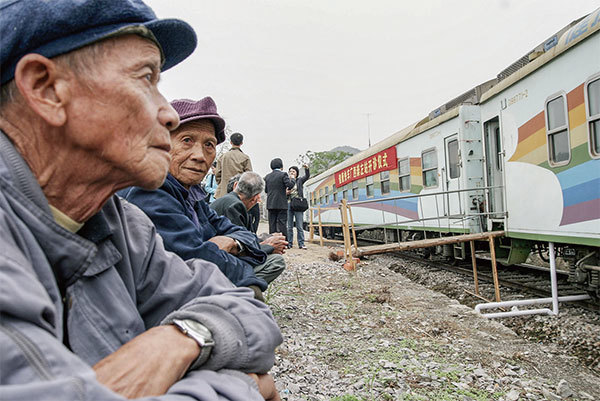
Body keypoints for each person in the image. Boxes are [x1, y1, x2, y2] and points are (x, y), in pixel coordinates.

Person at [0, 1, 281, 400]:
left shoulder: (120, 224)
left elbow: (251, 311)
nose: (167, 114)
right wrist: (248, 385)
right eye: (145, 78)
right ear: (46, 88)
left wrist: (183, 336)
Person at [120, 97, 283, 298]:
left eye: (209, 144)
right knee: (252, 286)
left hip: (200, 276)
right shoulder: (148, 189)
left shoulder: (192, 196)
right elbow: (197, 257)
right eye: (187, 140)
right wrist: (247, 277)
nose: (200, 155)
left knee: (267, 264)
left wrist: (233, 244)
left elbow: (241, 234)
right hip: (160, 296)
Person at [211, 171, 289, 262]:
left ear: (235, 185)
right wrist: (270, 247)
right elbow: (241, 246)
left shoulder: (227, 200)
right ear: (255, 198)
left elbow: (245, 237)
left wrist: (268, 237)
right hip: (220, 260)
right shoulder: (235, 206)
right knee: (277, 261)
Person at [214, 132, 252, 199]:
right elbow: (249, 176)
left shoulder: (223, 157)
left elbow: (218, 174)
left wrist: (222, 183)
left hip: (224, 191)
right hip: (239, 191)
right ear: (241, 143)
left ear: (231, 142)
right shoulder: (245, 158)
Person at [264, 158, 295, 234]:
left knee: (272, 224)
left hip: (271, 203)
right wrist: (293, 179)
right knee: (282, 224)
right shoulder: (283, 174)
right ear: (281, 166)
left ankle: (272, 242)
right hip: (281, 203)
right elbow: (290, 185)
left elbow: (266, 190)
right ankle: (284, 243)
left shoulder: (267, 177)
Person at [287, 164, 310, 249]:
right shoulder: (287, 181)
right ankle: (289, 243)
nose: (291, 173)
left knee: (299, 226)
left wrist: (307, 168)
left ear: (297, 173)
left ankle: (301, 243)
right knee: (289, 226)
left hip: (297, 204)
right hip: (289, 203)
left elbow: (307, 176)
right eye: (290, 171)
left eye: (293, 171)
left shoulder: (300, 180)